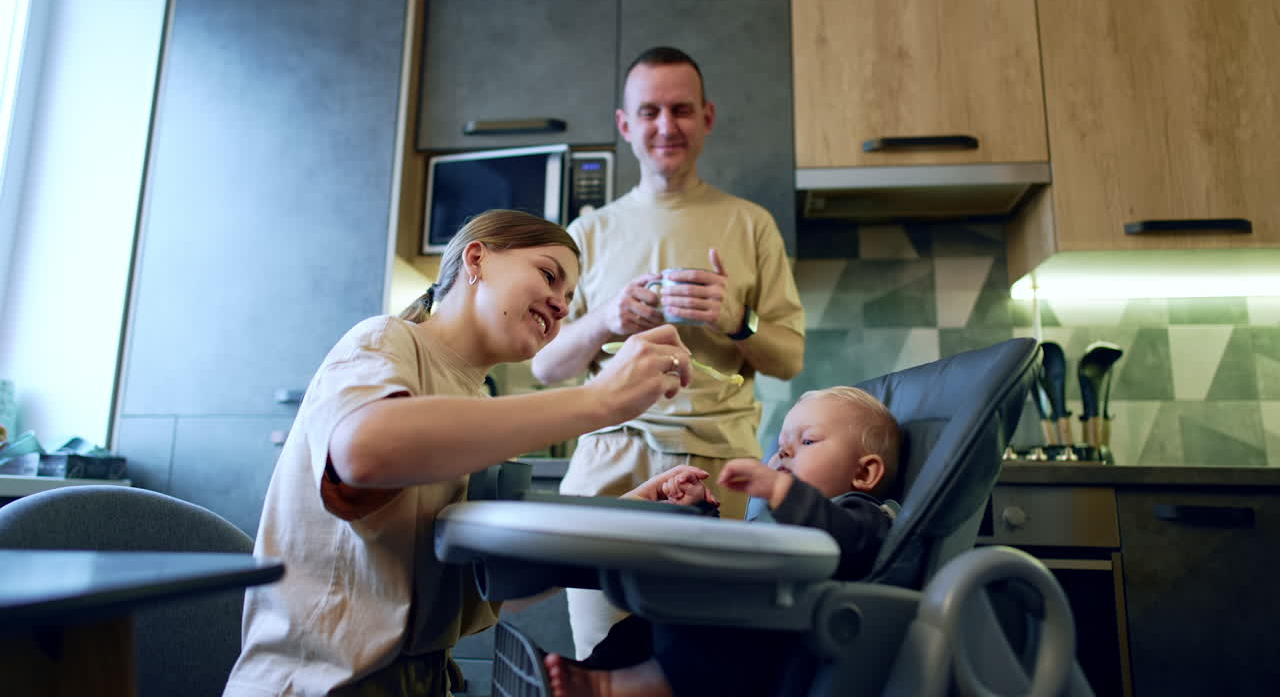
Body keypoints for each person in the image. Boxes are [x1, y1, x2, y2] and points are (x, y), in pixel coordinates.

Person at [222, 209, 698, 697]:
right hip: (317, 684)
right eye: (548, 276)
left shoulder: (478, 405)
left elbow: (494, 582)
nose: (560, 306)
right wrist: (600, 401)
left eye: (569, 299)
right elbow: (364, 451)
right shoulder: (385, 340)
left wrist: (632, 511)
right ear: (477, 259)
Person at [530, 45, 806, 659]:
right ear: (625, 125)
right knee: (602, 671)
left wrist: (736, 319)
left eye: (681, 109)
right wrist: (606, 318)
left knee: (707, 669)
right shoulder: (587, 233)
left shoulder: (752, 224)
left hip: (720, 472)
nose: (665, 126)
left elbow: (788, 359)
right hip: (608, 464)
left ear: (707, 117)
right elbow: (545, 366)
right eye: (649, 111)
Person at [540, 386, 903, 697]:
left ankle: (625, 687)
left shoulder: (864, 515)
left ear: (864, 472)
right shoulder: (785, 518)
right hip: (744, 616)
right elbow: (742, 548)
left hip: (774, 644)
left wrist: (781, 490)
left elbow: (843, 539)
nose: (784, 453)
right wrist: (700, 511)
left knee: (698, 626)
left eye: (807, 441)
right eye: (781, 446)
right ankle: (596, 671)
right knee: (644, 619)